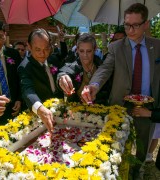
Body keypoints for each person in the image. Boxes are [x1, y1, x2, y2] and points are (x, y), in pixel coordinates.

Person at [81, 3, 160, 178]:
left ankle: (137, 171)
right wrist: (93, 85)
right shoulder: (116, 47)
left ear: (146, 24)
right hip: (120, 107)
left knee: (142, 146)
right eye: (126, 25)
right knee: (116, 146)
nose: (130, 30)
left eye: (135, 25)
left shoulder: (158, 46)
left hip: (147, 109)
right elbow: (104, 69)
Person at [18, 28, 64, 134]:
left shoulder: (53, 59)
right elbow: (27, 90)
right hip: (40, 117)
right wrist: (40, 108)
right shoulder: (25, 67)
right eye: (38, 49)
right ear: (29, 47)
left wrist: (63, 76)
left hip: (59, 111)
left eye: (46, 49)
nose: (43, 54)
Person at [57, 33, 110, 104]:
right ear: (77, 50)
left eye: (89, 51)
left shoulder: (101, 66)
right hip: (76, 112)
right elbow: (66, 71)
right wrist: (61, 77)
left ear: (95, 49)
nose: (85, 55)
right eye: (82, 51)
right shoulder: (73, 66)